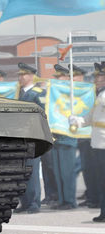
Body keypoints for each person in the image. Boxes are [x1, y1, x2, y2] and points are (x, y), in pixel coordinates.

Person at [46, 63, 84, 209]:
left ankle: (69, 201)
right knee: (59, 172)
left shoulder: (72, 93)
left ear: (67, 78)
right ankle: (62, 200)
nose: (56, 79)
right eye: (56, 77)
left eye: (59, 77)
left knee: (67, 172)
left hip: (68, 137)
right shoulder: (55, 93)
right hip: (56, 137)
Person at [70, 62, 105, 222]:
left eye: (100, 76)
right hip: (98, 144)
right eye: (96, 76)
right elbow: (90, 118)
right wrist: (77, 121)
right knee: (101, 181)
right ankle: (103, 212)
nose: (96, 79)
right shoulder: (100, 95)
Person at [15, 62, 45, 214]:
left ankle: (34, 203)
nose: (20, 77)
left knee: (32, 171)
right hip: (20, 137)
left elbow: (44, 115)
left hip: (33, 137)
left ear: (31, 76)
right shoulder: (18, 93)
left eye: (23, 74)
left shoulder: (38, 93)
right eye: (19, 75)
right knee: (21, 171)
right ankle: (25, 202)